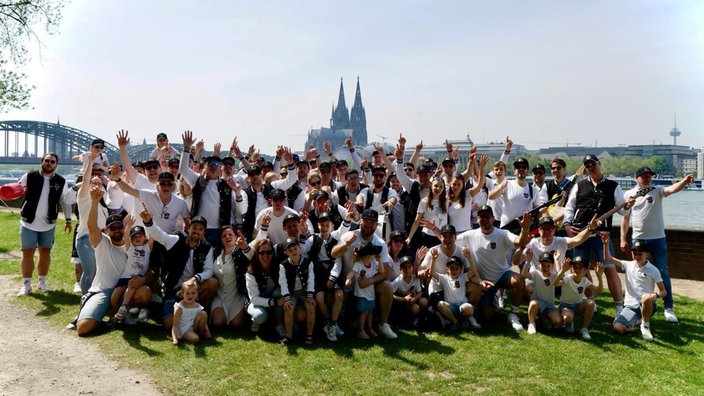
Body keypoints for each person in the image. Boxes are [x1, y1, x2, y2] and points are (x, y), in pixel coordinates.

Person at [620, 167, 694, 323]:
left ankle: (669, 307)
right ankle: (637, 304)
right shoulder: (629, 194)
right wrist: (623, 239)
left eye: (649, 176)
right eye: (644, 177)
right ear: (637, 178)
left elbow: (672, 189)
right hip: (638, 238)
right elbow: (625, 218)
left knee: (663, 272)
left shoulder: (657, 190)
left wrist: (684, 181)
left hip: (658, 238)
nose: (648, 179)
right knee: (637, 273)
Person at [563, 154, 635, 314]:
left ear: (599, 164)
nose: (590, 167)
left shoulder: (613, 186)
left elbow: (623, 211)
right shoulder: (579, 185)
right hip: (580, 233)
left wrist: (628, 206)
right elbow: (570, 207)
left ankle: (618, 307)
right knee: (581, 269)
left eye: (593, 164)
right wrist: (567, 225)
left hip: (602, 235)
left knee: (610, 269)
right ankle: (590, 302)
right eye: (587, 166)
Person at [455, 205, 532, 331]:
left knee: (519, 280)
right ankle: (494, 299)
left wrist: (525, 229)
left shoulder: (502, 234)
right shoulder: (469, 235)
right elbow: (450, 240)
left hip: (502, 275)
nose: (484, 219)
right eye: (481, 216)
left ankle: (513, 314)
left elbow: (520, 242)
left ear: (493, 218)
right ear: (478, 219)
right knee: (487, 316)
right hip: (483, 281)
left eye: (487, 216)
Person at [141, 211, 217, 332]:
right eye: (194, 227)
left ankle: (194, 311)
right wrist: (148, 222)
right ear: (188, 228)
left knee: (212, 282)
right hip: (174, 289)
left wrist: (196, 278)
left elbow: (209, 270)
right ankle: (163, 309)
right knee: (169, 325)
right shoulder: (177, 240)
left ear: (204, 232)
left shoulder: (207, 248)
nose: (196, 231)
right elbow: (159, 235)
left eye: (200, 229)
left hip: (193, 289)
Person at [332, 208, 398, 339]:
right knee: (352, 327)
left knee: (387, 286)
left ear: (376, 225)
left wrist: (369, 281)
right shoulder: (349, 235)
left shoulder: (380, 243)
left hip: (367, 288)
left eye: (372, 222)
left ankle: (383, 324)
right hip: (348, 288)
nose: (368, 224)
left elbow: (385, 272)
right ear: (360, 221)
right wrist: (346, 244)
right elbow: (334, 253)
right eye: (366, 221)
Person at [74, 186, 128, 336]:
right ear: (106, 231)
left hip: (124, 291)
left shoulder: (132, 245)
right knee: (83, 328)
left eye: (119, 226)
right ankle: (103, 316)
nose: (117, 230)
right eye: (112, 228)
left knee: (143, 293)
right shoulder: (103, 242)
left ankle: (122, 312)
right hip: (102, 290)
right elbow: (91, 226)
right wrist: (94, 202)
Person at [17, 152, 73, 296]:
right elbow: (16, 190)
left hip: (48, 224)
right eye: (47, 160)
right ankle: (26, 286)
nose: (49, 163)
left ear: (56, 164)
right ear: (41, 162)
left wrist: (68, 220)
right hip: (28, 222)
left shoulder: (61, 181)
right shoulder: (29, 176)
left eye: (52, 161)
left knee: (45, 252)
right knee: (27, 252)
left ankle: (42, 283)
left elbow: (65, 202)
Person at [602, 234, 666, 342]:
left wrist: (656, 295)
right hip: (630, 306)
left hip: (647, 303)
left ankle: (645, 326)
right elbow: (608, 258)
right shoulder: (628, 265)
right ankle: (637, 321)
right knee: (617, 328)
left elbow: (664, 291)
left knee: (646, 297)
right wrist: (605, 243)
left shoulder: (653, 270)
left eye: (639, 254)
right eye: (634, 253)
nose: (636, 256)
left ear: (647, 255)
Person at [553, 256, 604, 341]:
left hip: (578, 305)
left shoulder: (585, 280)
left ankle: (584, 329)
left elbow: (599, 290)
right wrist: (562, 270)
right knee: (567, 318)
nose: (577, 269)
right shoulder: (568, 278)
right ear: (571, 268)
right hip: (566, 306)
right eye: (575, 267)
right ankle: (569, 322)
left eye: (580, 268)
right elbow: (555, 283)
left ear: (585, 270)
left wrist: (599, 277)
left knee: (591, 303)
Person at [112, 220, 153, 325]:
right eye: (134, 237)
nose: (137, 238)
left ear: (145, 237)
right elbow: (126, 237)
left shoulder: (147, 248)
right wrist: (129, 225)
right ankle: (118, 317)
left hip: (138, 277)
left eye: (140, 236)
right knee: (114, 298)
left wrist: (150, 222)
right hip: (125, 276)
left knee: (132, 284)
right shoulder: (130, 248)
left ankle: (125, 306)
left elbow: (153, 234)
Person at [428, 250, 481, 331]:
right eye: (452, 268)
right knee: (441, 304)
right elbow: (432, 273)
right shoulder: (444, 278)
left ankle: (466, 320)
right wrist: (433, 259)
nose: (454, 270)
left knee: (469, 308)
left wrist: (469, 258)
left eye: (457, 268)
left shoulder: (463, 277)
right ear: (447, 269)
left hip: (462, 305)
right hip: (451, 308)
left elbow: (473, 271)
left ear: (460, 270)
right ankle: (455, 322)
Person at [278, 237, 316, 346]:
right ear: (286, 253)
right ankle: (288, 335)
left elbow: (310, 280)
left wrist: (309, 296)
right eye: (290, 250)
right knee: (288, 308)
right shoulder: (283, 265)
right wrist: (287, 298)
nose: (293, 252)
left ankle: (309, 334)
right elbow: (283, 282)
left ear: (299, 248)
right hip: (291, 292)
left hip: (304, 292)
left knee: (311, 307)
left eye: (295, 248)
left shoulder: (308, 263)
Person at [210, 226, 249, 329]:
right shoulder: (215, 253)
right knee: (217, 323)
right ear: (221, 240)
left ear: (236, 237)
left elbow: (251, 255)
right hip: (220, 297)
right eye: (224, 236)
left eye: (230, 234)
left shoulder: (241, 252)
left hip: (237, 297)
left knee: (237, 325)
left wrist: (244, 247)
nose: (227, 237)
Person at [345, 241, 385, 339]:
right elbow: (352, 273)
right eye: (373, 254)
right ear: (368, 255)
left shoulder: (373, 263)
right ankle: (361, 330)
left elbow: (381, 271)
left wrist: (379, 260)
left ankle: (369, 328)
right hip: (361, 293)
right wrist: (348, 279)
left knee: (370, 311)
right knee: (364, 312)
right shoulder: (358, 264)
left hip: (370, 293)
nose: (375, 255)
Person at [521, 251, 562, 335]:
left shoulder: (554, 276)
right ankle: (532, 324)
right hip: (538, 303)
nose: (545, 268)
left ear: (552, 266)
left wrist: (557, 260)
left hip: (549, 305)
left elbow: (560, 274)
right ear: (538, 264)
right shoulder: (536, 273)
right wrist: (528, 261)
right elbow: (524, 274)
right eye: (543, 265)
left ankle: (543, 317)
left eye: (548, 265)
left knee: (558, 322)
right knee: (533, 303)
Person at [245, 239, 282, 333]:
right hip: (258, 303)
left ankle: (279, 325)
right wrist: (274, 302)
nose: (265, 255)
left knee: (279, 292)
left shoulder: (279, 267)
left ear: (273, 253)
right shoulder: (251, 272)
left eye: (269, 252)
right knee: (259, 317)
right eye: (261, 252)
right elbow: (254, 299)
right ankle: (257, 321)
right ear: (257, 254)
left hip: (275, 300)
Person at [406, 177, 447, 248]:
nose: (438, 188)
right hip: (427, 236)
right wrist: (409, 237)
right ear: (431, 186)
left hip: (442, 236)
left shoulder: (446, 201)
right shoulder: (424, 202)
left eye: (441, 187)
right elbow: (416, 221)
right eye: (436, 186)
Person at [391, 256, 428, 328]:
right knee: (415, 308)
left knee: (424, 301)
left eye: (409, 267)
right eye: (404, 267)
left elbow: (419, 292)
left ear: (413, 268)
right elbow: (390, 295)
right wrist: (404, 299)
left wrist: (415, 299)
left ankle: (421, 319)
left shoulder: (415, 279)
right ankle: (407, 321)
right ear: (400, 269)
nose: (407, 269)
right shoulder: (398, 280)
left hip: (412, 300)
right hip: (402, 303)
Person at [172, 278, 211, 345]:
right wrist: (175, 339)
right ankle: (192, 336)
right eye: (187, 293)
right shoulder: (179, 307)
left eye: (193, 293)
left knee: (203, 313)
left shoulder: (197, 306)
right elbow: (175, 326)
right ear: (182, 293)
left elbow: (204, 322)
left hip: (194, 326)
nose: (190, 296)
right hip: (184, 329)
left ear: (197, 294)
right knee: (195, 339)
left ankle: (201, 333)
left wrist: (208, 332)